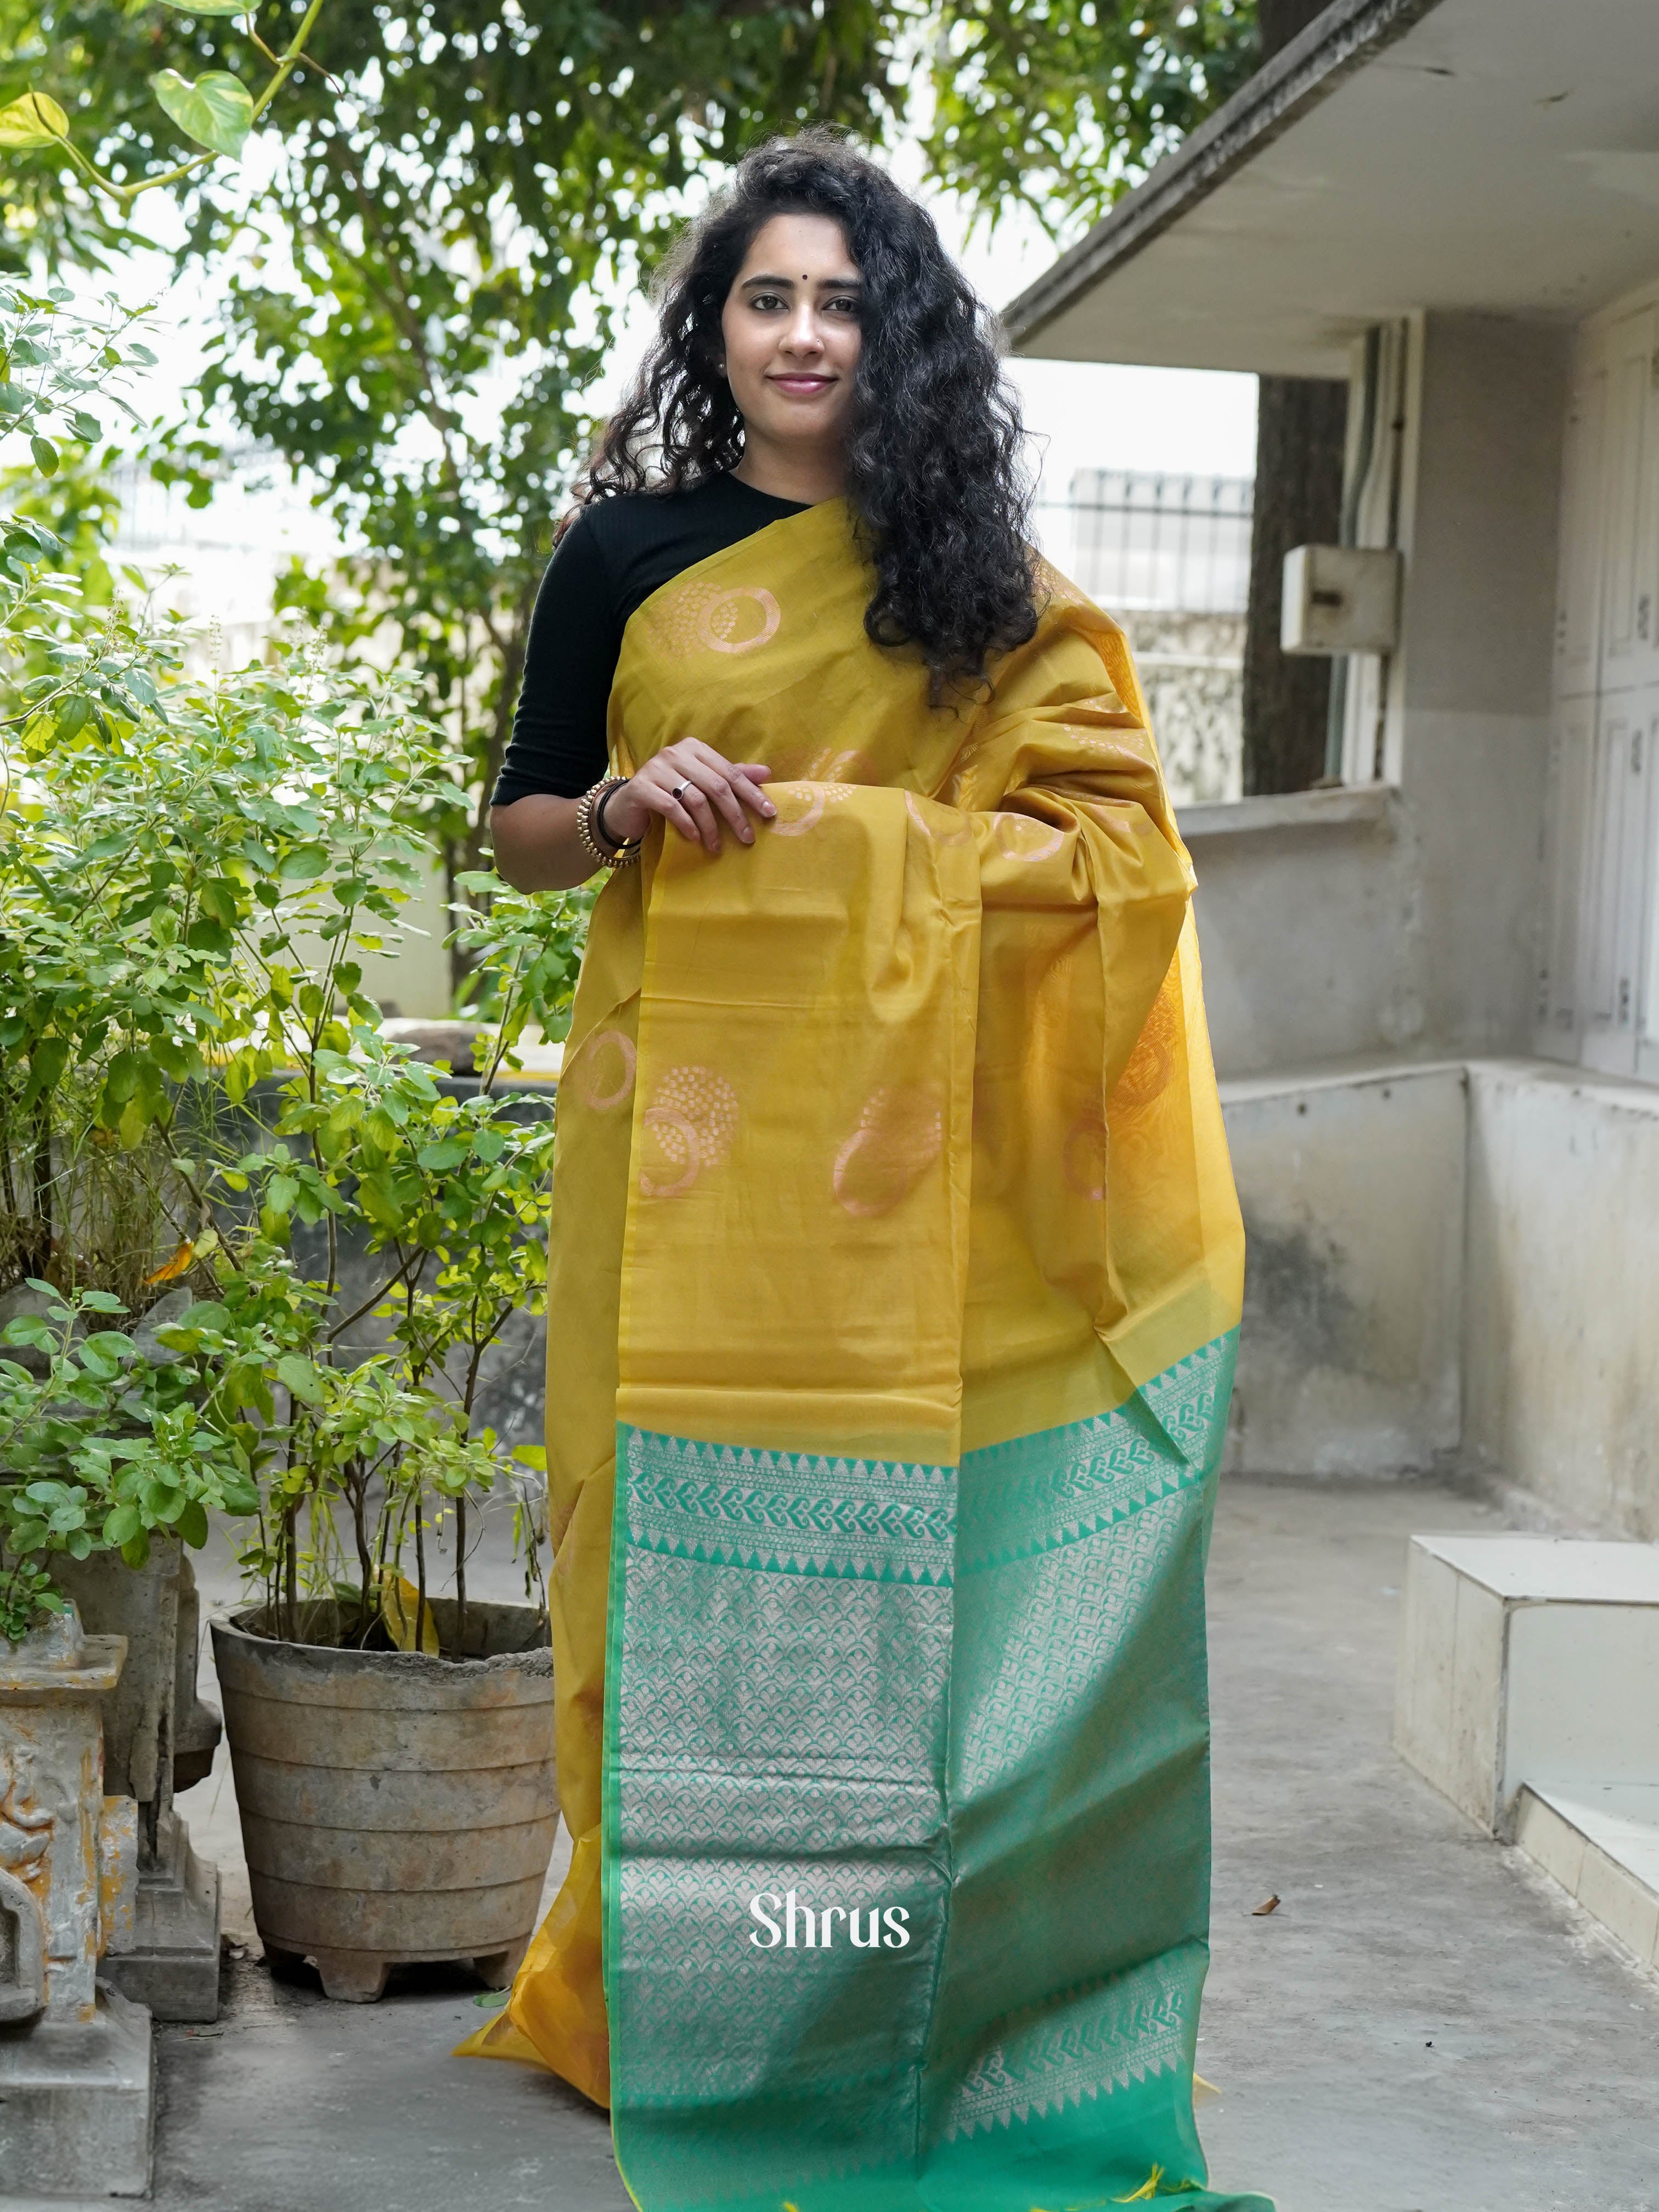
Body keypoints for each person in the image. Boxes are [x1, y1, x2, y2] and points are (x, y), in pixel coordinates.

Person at [461, 129, 1269, 2212]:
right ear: (712, 329)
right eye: (766, 297)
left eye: (840, 299)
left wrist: (856, 846)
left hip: (934, 1190)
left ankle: (912, 2001)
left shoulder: (975, 580)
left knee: (930, 1602)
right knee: (665, 1574)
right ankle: (674, 1996)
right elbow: (523, 827)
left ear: (888, 333)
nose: (803, 332)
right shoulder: (627, 552)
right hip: (684, 1170)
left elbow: (1116, 861)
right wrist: (634, 801)